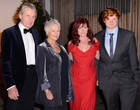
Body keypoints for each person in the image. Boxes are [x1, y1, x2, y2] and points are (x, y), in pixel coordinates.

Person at [95, 7, 140, 110]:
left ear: (118, 19)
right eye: (108, 19)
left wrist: (135, 81)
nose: (111, 22)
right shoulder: (97, 37)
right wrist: (97, 78)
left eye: (114, 18)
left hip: (127, 80)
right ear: (104, 20)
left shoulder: (128, 35)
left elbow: (134, 59)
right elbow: (96, 60)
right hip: (107, 81)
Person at [1, 2, 40, 110]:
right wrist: (10, 86)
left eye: (33, 16)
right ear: (20, 15)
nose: (30, 19)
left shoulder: (36, 33)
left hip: (33, 79)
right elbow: (5, 62)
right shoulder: (8, 33)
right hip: (16, 80)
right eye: (28, 15)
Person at [36, 19, 74, 110]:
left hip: (64, 89)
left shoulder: (62, 47)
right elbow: (41, 73)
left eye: (58, 30)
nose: (56, 33)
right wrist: (46, 90)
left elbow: (65, 66)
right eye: (53, 31)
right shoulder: (42, 48)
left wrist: (71, 60)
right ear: (47, 31)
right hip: (52, 90)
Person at [68, 17, 99, 110]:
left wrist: (99, 77)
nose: (82, 30)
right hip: (75, 79)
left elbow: (99, 60)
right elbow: (70, 62)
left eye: (85, 27)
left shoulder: (94, 41)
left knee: (87, 103)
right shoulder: (71, 44)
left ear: (88, 28)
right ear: (76, 29)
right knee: (76, 104)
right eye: (80, 27)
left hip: (90, 79)